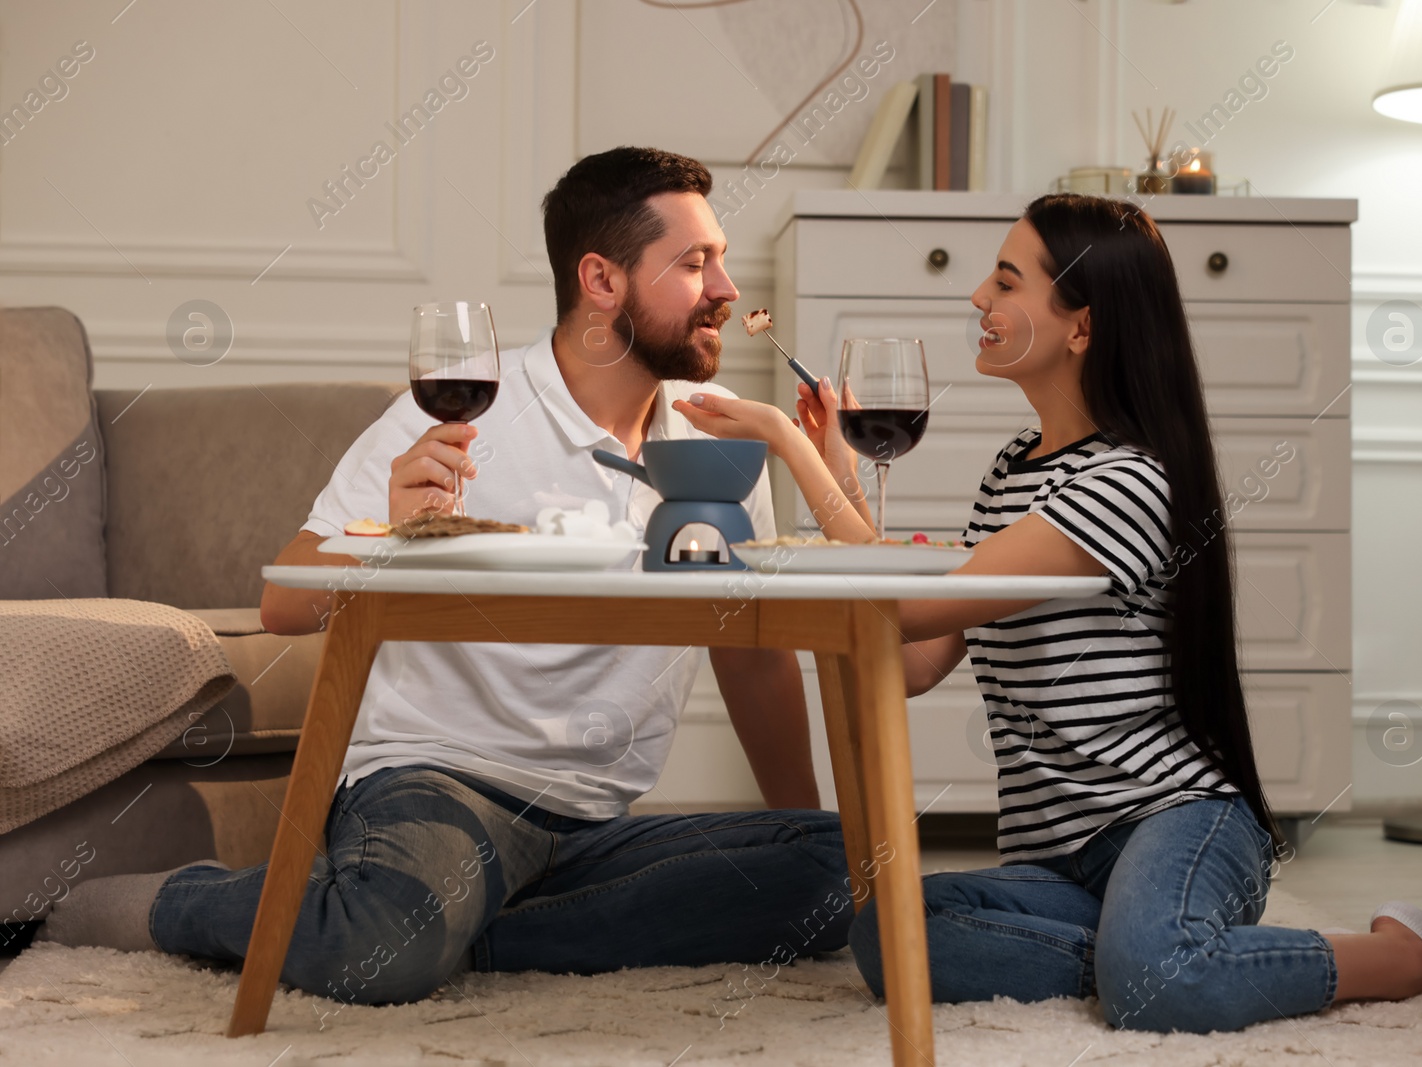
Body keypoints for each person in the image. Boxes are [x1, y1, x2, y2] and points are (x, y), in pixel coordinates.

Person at [670, 192, 1422, 1033]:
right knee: (890, 937)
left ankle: (1404, 952)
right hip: (1057, 859)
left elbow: (916, 605)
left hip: (1177, 819)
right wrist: (836, 466)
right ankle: (1156, 950)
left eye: (1006, 283)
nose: (978, 301)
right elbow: (917, 659)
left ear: (1081, 325)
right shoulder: (1012, 472)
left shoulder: (1127, 482)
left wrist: (784, 441)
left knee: (1159, 984)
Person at [41, 147, 851, 1006]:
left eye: (717, 259)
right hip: (437, 778)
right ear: (602, 281)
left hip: (593, 818)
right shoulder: (465, 413)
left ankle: (451, 925)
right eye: (695, 263)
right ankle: (173, 903)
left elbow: (752, 653)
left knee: (836, 874)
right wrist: (389, 531)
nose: (725, 286)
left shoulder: (716, 444)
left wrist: (796, 829)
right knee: (381, 952)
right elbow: (286, 603)